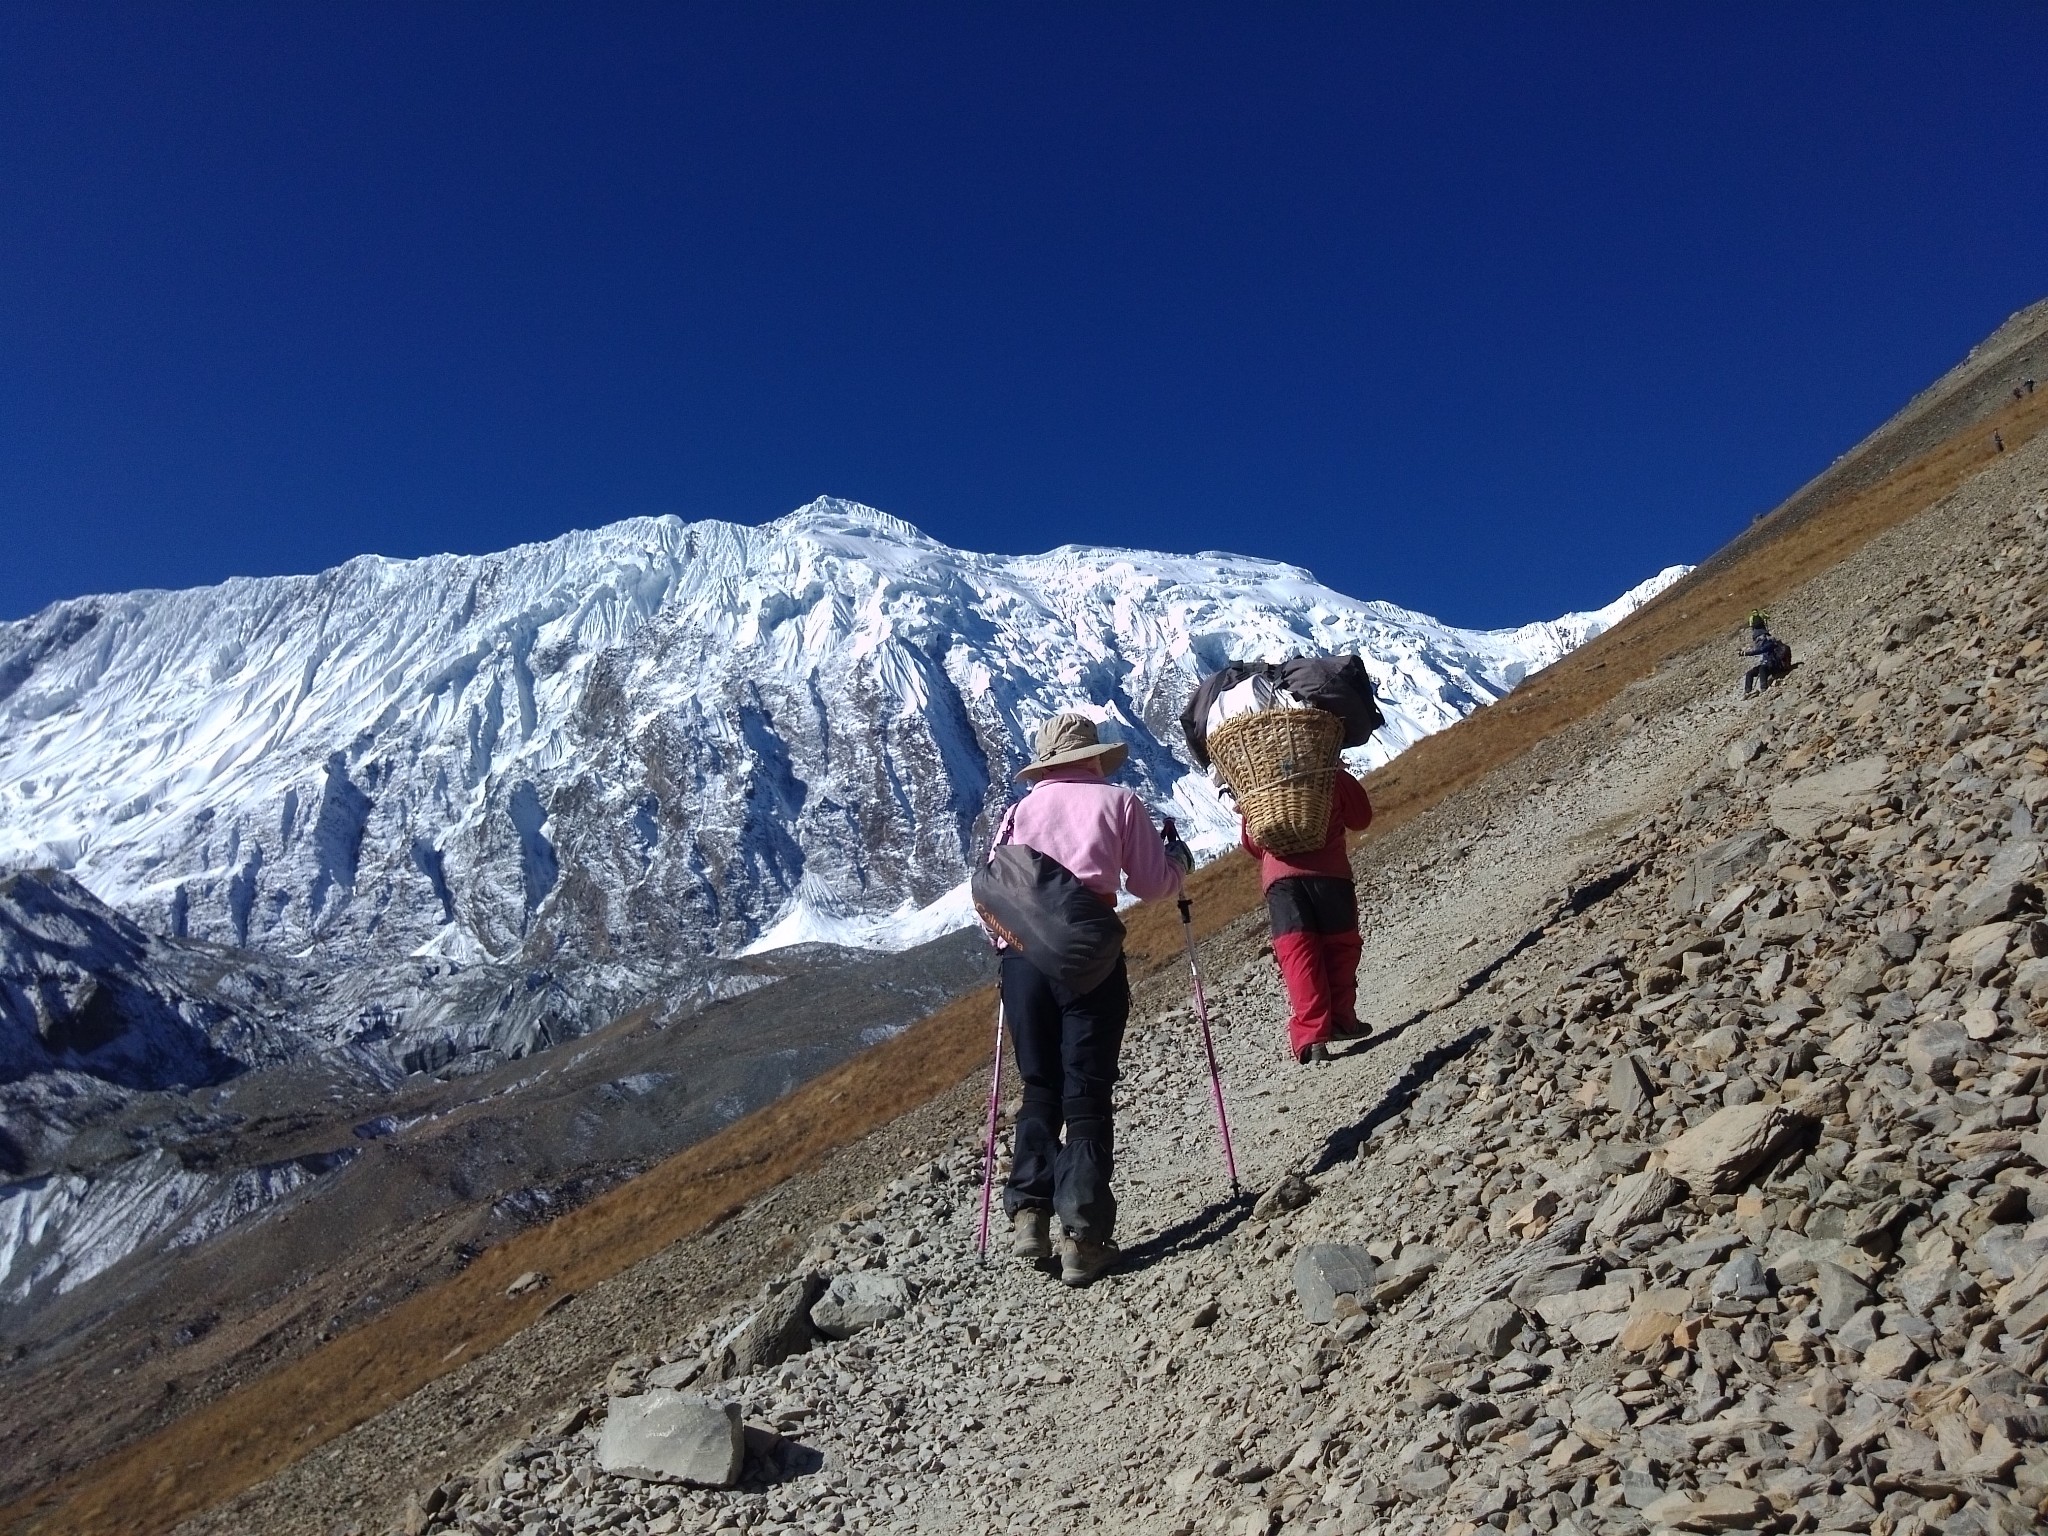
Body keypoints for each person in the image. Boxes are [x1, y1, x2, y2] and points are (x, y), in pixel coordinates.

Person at [995, 712, 1188, 1286]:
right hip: (1088, 954)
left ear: (1045, 765)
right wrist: (1178, 864)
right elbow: (1151, 885)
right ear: (1093, 758)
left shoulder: (1018, 811)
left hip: (1022, 957)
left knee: (1039, 1084)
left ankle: (1028, 1214)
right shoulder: (1118, 801)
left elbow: (996, 883)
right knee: (1086, 1087)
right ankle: (1083, 1236)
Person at [1242, 766, 1374, 1065]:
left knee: (1298, 954)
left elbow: (1252, 843)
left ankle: (1313, 1038)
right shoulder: (1329, 771)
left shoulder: (1261, 783)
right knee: (1341, 947)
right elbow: (1361, 818)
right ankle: (1342, 1020)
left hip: (1281, 880)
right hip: (1330, 873)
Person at [1742, 614, 1791, 697]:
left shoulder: (1770, 641)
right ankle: (1747, 692)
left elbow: (1761, 650)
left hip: (1775, 665)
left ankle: (1764, 688)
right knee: (1750, 673)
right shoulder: (1766, 640)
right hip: (1768, 665)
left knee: (1762, 668)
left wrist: (1746, 653)